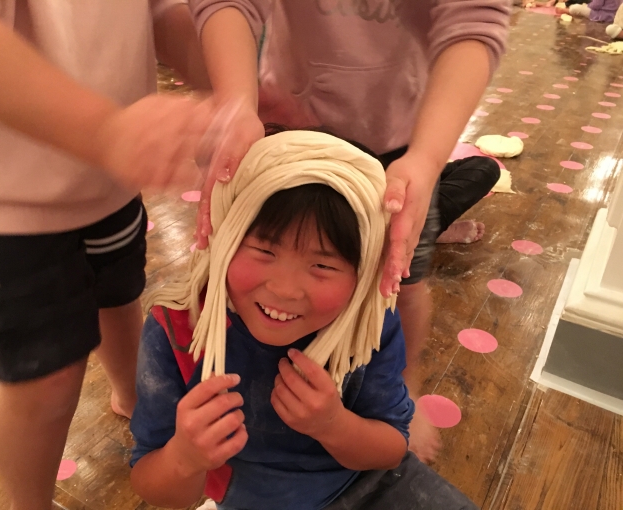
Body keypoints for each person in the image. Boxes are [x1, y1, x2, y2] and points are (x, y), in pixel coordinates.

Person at [187, 0, 510, 461]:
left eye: (318, 265)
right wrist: (235, 104)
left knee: (401, 283)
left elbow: (474, 22)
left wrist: (426, 159)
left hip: (404, 145)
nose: (286, 287)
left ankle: (403, 385)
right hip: (288, 135)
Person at [0, 2, 216, 509]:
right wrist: (106, 131)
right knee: (43, 382)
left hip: (109, 178)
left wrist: (234, 91)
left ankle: (133, 399)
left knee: (120, 295)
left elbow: (161, 12)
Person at [129, 130, 478, 510]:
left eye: (322, 265)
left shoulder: (367, 320)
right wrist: (185, 457)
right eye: (264, 251)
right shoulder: (179, 328)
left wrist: (333, 425)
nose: (285, 290)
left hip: (369, 480)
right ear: (223, 237)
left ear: (364, 273)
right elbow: (155, 486)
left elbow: (392, 449)